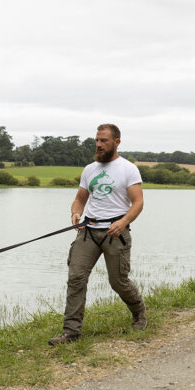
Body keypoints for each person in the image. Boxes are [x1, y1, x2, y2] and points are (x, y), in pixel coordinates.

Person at [48, 123, 147, 345]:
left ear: (116, 142)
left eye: (104, 141)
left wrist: (123, 222)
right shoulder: (90, 169)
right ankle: (71, 332)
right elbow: (80, 198)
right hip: (88, 232)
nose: (99, 145)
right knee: (76, 278)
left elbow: (138, 202)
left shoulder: (128, 169)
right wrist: (76, 212)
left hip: (116, 232)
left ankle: (139, 312)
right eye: (97, 140)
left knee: (118, 281)